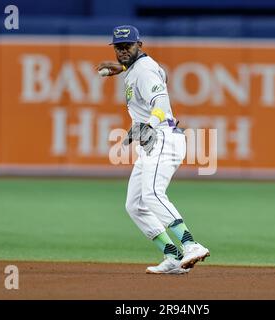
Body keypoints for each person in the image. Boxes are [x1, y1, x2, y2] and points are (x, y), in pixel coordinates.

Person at [97, 25, 210, 274]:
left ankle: (191, 244)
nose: (123, 50)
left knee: (152, 194)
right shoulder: (143, 67)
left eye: (128, 45)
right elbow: (163, 77)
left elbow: (160, 101)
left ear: (140, 45)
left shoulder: (145, 70)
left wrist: (149, 123)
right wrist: (125, 67)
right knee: (135, 204)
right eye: (119, 47)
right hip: (153, 140)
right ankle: (172, 256)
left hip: (163, 137)